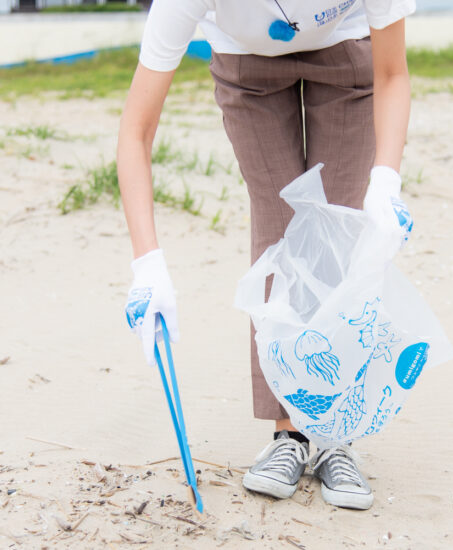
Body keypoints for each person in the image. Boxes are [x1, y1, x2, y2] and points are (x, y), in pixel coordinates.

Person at [118, 0, 415, 511]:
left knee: (336, 234)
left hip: (345, 50)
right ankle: (289, 436)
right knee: (281, 230)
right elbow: (135, 130)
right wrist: (147, 265)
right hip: (247, 63)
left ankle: (332, 437)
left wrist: (386, 179)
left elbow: (392, 73)